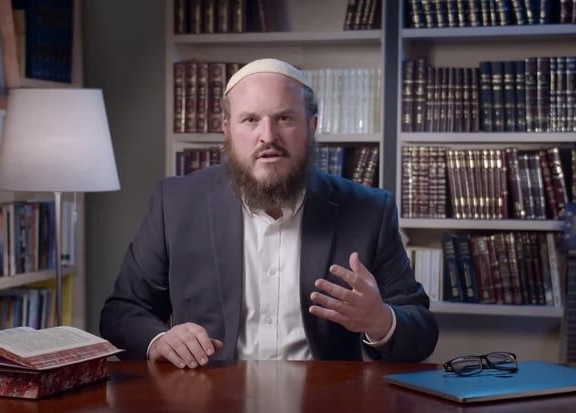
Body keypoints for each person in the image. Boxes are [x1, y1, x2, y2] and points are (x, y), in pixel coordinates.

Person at [100, 58, 437, 368]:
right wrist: (160, 340)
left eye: (284, 118)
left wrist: (381, 321)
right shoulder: (175, 203)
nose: (268, 136)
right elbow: (122, 313)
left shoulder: (369, 210)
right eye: (250, 120)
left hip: (327, 404)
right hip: (207, 401)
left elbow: (421, 332)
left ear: (312, 126)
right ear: (227, 129)